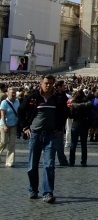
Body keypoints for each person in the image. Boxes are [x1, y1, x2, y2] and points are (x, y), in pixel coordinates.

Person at [18, 74, 69, 203]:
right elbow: (20, 111)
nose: (48, 86)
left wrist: (59, 127)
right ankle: (33, 190)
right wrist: (25, 127)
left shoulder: (58, 98)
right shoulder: (33, 97)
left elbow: (65, 113)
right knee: (32, 166)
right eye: (46, 83)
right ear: (41, 83)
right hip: (35, 134)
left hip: (51, 135)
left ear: (54, 85)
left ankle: (48, 193)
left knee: (49, 165)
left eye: (51, 84)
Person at [68, 89, 92, 166]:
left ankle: (72, 161)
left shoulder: (74, 105)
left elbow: (71, 116)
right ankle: (84, 161)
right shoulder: (87, 105)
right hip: (84, 125)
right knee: (84, 144)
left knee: (73, 144)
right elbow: (90, 115)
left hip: (75, 125)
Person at [0, 87, 20, 167]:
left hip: (14, 125)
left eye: (15, 93)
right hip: (4, 125)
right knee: (4, 142)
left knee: (12, 143)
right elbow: (2, 115)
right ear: (8, 93)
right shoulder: (4, 102)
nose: (14, 94)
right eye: (12, 93)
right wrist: (4, 125)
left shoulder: (17, 101)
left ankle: (9, 161)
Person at [52, 81, 70, 166]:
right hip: (54, 123)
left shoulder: (64, 96)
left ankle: (61, 160)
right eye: (63, 86)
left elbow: (66, 110)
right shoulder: (53, 96)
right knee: (55, 144)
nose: (64, 87)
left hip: (61, 122)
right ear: (58, 87)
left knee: (59, 143)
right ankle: (58, 160)